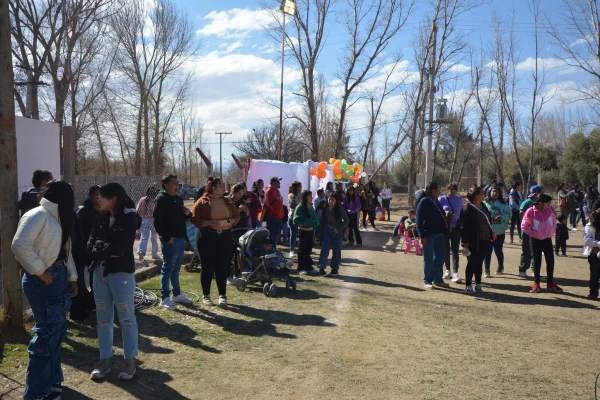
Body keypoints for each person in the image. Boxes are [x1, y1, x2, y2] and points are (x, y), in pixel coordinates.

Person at [11, 180, 78, 400]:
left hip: (58, 279)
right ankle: (36, 393)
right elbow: (19, 244)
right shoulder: (37, 215)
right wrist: (41, 271)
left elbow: (64, 252)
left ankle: (51, 382)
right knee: (46, 335)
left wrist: (73, 277)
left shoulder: (60, 217)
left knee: (57, 333)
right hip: (43, 281)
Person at [88, 183, 140, 382]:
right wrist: (104, 248)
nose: (98, 199)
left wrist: (102, 247)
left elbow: (121, 248)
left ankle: (129, 361)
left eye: (103, 196)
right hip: (99, 274)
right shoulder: (100, 218)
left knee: (126, 319)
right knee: (103, 320)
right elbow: (89, 246)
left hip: (121, 276)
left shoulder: (129, 218)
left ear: (114, 199)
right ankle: (104, 360)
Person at [192, 177, 240, 306]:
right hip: (207, 236)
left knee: (222, 266)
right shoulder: (202, 202)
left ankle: (222, 295)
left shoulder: (227, 201)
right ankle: (206, 295)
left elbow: (237, 215)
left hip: (224, 237)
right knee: (207, 266)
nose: (224, 187)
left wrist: (231, 222)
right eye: (221, 185)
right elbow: (195, 220)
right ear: (213, 187)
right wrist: (209, 222)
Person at [153, 174, 193, 310]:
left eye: (178, 183)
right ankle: (164, 298)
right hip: (170, 240)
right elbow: (158, 221)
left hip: (181, 238)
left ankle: (176, 294)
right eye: (174, 183)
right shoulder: (161, 199)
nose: (177, 186)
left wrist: (188, 213)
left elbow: (181, 217)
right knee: (168, 268)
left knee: (176, 268)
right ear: (166, 185)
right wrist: (166, 237)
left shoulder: (178, 199)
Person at [521, 193, 563, 293]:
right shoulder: (530, 211)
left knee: (551, 261)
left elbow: (553, 222)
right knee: (537, 261)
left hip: (547, 239)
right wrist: (536, 234)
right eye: (547, 203)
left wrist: (551, 231)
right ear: (540, 202)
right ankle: (536, 283)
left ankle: (550, 283)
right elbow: (524, 227)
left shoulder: (549, 210)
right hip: (535, 240)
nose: (549, 205)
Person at [459, 186, 494, 294]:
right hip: (473, 240)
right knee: (472, 262)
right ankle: (468, 285)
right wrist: (465, 241)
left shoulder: (484, 206)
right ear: (477, 195)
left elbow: (488, 219)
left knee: (479, 262)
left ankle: (478, 284)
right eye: (483, 193)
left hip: (485, 239)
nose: (484, 195)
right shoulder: (468, 208)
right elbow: (463, 226)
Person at [416, 182, 449, 289]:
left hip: (440, 233)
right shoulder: (424, 201)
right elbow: (419, 220)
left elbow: (441, 214)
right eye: (438, 189)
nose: (439, 191)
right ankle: (427, 280)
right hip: (428, 235)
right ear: (434, 190)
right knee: (428, 258)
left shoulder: (436, 201)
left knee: (440, 258)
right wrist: (422, 235)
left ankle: (438, 279)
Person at [438, 183, 464, 283]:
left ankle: (455, 273)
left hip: (456, 228)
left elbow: (462, 213)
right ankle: (447, 270)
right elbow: (438, 212)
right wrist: (446, 213)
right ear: (446, 189)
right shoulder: (441, 199)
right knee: (445, 249)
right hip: (445, 228)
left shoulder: (459, 199)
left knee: (455, 251)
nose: (452, 191)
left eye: (454, 189)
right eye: (450, 189)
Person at [318, 195, 349, 276]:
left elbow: (346, 220)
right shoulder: (325, 208)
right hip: (327, 231)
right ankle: (321, 268)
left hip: (336, 232)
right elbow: (322, 221)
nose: (330, 201)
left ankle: (334, 269)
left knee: (336, 250)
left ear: (336, 201)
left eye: (333, 200)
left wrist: (338, 229)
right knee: (325, 250)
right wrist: (320, 232)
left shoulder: (339, 208)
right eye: (329, 199)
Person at [484, 187, 512, 276]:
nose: (495, 193)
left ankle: (500, 267)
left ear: (499, 194)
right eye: (493, 191)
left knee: (498, 250)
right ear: (489, 192)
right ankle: (486, 270)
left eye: (497, 192)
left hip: (499, 232)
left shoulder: (504, 205)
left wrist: (502, 217)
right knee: (487, 251)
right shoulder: (485, 204)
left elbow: (509, 216)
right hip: (487, 232)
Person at [293, 190, 320, 275]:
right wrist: (304, 224)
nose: (311, 198)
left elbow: (315, 217)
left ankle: (308, 267)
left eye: (311, 196)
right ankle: (301, 268)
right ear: (304, 197)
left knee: (308, 249)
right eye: (309, 196)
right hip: (303, 232)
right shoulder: (300, 207)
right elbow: (296, 219)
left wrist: (315, 225)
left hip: (311, 232)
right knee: (302, 249)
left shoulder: (311, 207)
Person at [519, 185, 542, 277]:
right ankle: (523, 269)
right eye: (540, 192)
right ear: (536, 193)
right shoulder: (527, 202)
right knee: (526, 251)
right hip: (526, 232)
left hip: (536, 232)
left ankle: (534, 269)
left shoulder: (539, 203)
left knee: (535, 251)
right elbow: (521, 215)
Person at [136, 186, 160, 262]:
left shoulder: (142, 199)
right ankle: (154, 254)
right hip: (153, 220)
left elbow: (137, 210)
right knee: (154, 238)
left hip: (144, 220)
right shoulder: (155, 200)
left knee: (144, 237)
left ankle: (141, 251)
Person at [583, 211, 600, 299]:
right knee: (594, 273)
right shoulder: (589, 226)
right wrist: (598, 243)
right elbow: (587, 239)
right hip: (594, 253)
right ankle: (593, 292)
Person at [263, 177, 284, 249]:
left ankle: (273, 250)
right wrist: (274, 212)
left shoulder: (277, 191)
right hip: (272, 218)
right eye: (278, 182)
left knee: (275, 236)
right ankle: (270, 251)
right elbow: (266, 203)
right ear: (274, 183)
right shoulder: (269, 190)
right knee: (271, 236)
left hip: (278, 218)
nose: (279, 183)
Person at [288, 181, 302, 257]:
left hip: (301, 218)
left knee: (300, 234)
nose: (300, 188)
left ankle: (299, 249)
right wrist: (300, 205)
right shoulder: (291, 195)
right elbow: (292, 205)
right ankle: (291, 250)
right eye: (299, 186)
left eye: (301, 186)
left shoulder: (301, 195)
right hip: (293, 217)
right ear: (295, 187)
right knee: (293, 234)